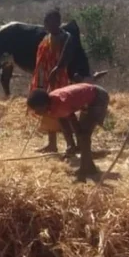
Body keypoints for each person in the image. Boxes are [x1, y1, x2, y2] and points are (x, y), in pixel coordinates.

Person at [27, 83, 109, 180]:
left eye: (37, 109)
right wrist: (71, 145)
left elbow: (73, 121)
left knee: (84, 135)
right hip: (90, 95)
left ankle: (84, 169)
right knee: (83, 135)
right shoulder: (52, 103)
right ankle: (90, 167)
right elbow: (63, 122)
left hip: (98, 97)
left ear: (44, 105)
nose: (36, 113)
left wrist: (77, 142)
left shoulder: (61, 103)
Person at [31, 8, 78, 156]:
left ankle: (72, 144)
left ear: (58, 22)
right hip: (45, 79)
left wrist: (55, 71)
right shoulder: (46, 38)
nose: (48, 25)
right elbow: (40, 62)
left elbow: (65, 60)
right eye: (46, 22)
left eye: (52, 22)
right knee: (48, 111)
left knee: (64, 112)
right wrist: (40, 80)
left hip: (59, 79)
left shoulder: (66, 38)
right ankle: (52, 145)